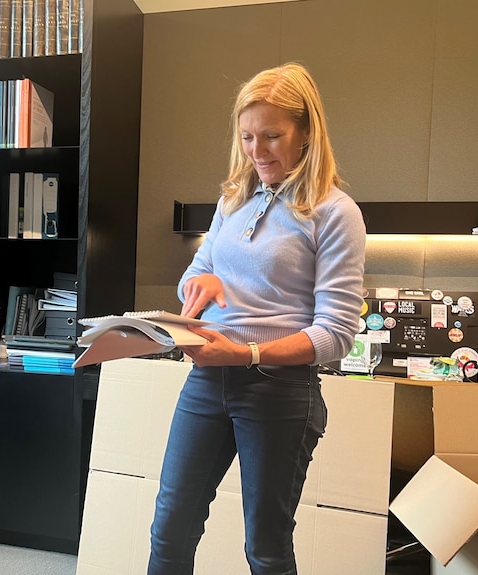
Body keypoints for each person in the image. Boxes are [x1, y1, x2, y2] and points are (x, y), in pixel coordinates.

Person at [147, 62, 366, 575]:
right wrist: (201, 285)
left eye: (271, 135)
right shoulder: (232, 201)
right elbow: (196, 275)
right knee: (169, 530)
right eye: (247, 136)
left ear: (307, 133)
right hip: (206, 382)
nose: (256, 150)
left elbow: (336, 334)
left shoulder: (336, 212)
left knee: (265, 549)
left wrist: (245, 353)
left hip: (279, 392)